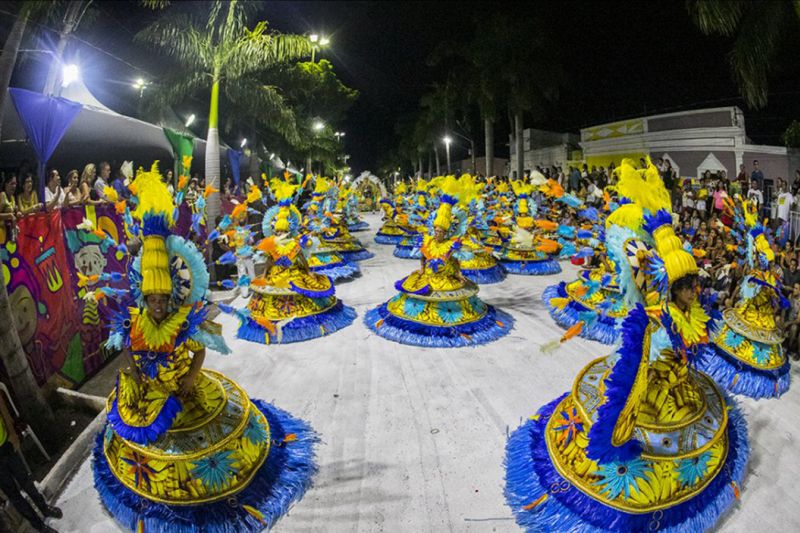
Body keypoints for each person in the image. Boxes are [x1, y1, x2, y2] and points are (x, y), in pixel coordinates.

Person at [0, 390, 62, 533]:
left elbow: (3, 409)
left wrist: (12, 434)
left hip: (6, 445)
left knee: (26, 481)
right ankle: (39, 526)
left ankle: (44, 508)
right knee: (14, 495)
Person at [0, 174, 21, 242]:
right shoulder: (2, 195)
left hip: (8, 236)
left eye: (15, 183)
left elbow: (15, 212)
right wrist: (10, 216)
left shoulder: (13, 198)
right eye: (12, 183)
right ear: (6, 184)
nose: (14, 186)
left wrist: (17, 213)